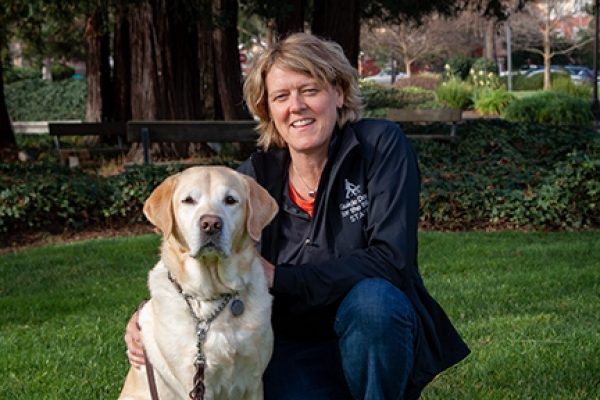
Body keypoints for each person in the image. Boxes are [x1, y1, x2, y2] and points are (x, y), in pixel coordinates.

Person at [125, 32, 470, 399]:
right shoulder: (253, 178)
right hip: (295, 344)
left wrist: (282, 278)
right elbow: (206, 252)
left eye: (309, 90)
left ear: (338, 94)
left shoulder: (379, 146)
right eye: (280, 96)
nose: (296, 106)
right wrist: (152, 313)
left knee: (374, 303)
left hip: (372, 332)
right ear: (268, 110)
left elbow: (393, 260)